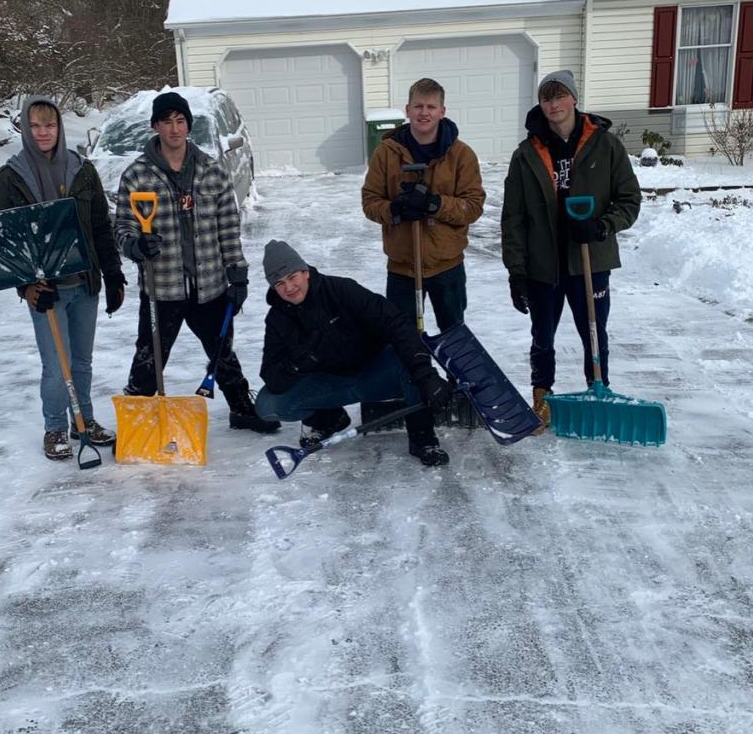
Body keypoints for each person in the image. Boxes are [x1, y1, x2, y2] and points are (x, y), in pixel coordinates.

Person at [115, 90, 277, 433]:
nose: (174, 129)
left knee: (222, 350)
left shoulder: (211, 171)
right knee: (149, 356)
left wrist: (238, 274)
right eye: (167, 122)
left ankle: (241, 408)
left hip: (210, 283)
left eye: (180, 121)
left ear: (188, 125)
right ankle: (136, 425)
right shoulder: (138, 175)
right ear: (155, 126)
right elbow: (123, 227)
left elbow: (228, 227)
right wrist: (135, 246)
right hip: (162, 285)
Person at [500, 70, 641, 429]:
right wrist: (516, 270)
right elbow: (513, 217)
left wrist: (602, 226)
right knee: (542, 337)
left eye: (560, 95)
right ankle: (541, 398)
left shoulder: (605, 145)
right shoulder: (526, 154)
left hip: (590, 260)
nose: (553, 104)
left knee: (593, 332)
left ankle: (599, 391)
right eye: (546, 98)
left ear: (574, 98)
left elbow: (629, 199)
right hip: (543, 265)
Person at [0, 96, 126, 461]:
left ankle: (83, 422)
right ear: (25, 129)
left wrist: (113, 274)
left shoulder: (82, 170)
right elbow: (3, 239)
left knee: (81, 362)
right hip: (46, 289)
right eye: (35, 126)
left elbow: (100, 226)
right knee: (55, 365)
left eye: (49, 125)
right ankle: (54, 427)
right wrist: (27, 287)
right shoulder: (10, 177)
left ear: (59, 128)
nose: (43, 132)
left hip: (84, 284)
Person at [253, 240, 454, 467]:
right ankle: (329, 418)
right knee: (267, 405)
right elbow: (270, 374)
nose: (289, 288)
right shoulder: (277, 319)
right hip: (331, 385)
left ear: (305, 272)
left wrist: (426, 375)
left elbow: (396, 324)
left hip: (375, 373)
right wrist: (300, 363)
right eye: (279, 283)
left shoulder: (341, 290)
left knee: (406, 360)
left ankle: (422, 439)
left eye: (292, 277)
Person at [362, 78, 485, 331]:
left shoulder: (461, 155)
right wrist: (395, 210)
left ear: (442, 111)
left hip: (447, 265)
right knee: (403, 338)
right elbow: (370, 201)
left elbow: (473, 206)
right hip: (402, 268)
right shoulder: (386, 153)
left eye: (431, 106)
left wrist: (435, 204)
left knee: (454, 335)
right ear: (407, 110)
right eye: (418, 106)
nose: (424, 112)